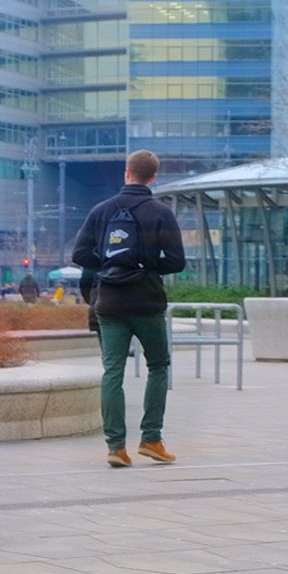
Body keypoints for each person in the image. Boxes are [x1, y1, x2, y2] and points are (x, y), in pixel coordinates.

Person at [71, 149, 186, 468]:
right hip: (147, 302)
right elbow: (177, 262)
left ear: (127, 173)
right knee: (158, 367)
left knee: (113, 372)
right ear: (153, 177)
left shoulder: (102, 210)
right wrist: (146, 268)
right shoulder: (161, 212)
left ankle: (115, 447)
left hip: (109, 302)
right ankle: (151, 439)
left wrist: (109, 267)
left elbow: (80, 255)